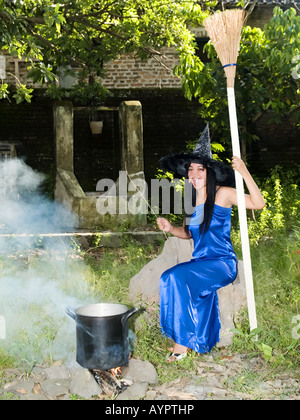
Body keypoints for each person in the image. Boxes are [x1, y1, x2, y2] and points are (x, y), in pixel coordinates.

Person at [156, 126, 265, 362]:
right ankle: (198, 341)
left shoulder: (223, 194)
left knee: (175, 277)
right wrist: (170, 228)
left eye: (200, 170)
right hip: (201, 262)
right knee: (169, 278)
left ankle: (181, 344)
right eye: (191, 170)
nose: (194, 174)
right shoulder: (195, 200)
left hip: (221, 264)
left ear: (210, 172)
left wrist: (245, 172)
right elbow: (189, 234)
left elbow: (258, 203)